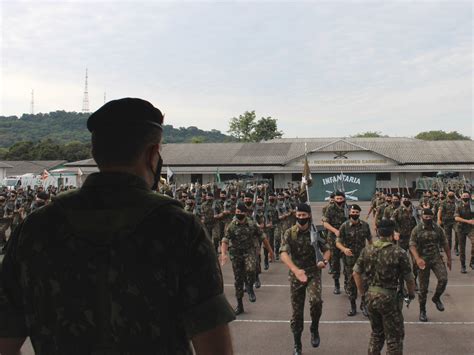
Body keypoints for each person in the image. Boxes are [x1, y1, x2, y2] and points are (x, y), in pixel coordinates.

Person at [0, 98, 235, 355]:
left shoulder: (35, 228)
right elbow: (214, 347)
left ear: (95, 152)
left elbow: (5, 342)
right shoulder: (178, 227)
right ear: (152, 154)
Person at [353, 220, 415, 355]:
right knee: (394, 339)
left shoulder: (367, 250)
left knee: (376, 334)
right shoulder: (399, 252)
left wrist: (363, 293)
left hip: (370, 297)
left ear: (378, 232)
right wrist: (411, 294)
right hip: (389, 299)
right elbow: (409, 278)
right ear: (393, 233)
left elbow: (356, 273)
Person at [280, 203, 331, 355]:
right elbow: (283, 253)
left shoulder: (316, 232)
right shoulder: (290, 233)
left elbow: (327, 249)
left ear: (309, 216)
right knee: (297, 313)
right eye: (298, 215)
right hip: (296, 275)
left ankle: (314, 327)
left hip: (313, 272)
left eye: (303, 215)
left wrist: (324, 261)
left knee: (316, 302)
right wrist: (295, 270)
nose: (300, 218)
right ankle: (297, 344)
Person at [220, 203, 274, 315]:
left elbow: (263, 237)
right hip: (236, 255)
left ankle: (249, 287)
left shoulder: (251, 224)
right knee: (238, 280)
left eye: (241, 212)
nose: (238, 214)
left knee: (251, 269)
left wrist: (270, 251)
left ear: (245, 213)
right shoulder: (232, 225)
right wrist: (224, 254)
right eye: (237, 212)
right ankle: (239, 305)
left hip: (249, 252)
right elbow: (225, 240)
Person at [410, 208, 451, 322]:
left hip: (436, 258)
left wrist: (449, 258)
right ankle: (422, 310)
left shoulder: (437, 229)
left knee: (443, 279)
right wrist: (417, 258)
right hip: (423, 260)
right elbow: (412, 245)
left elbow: (445, 243)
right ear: (422, 217)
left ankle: (436, 298)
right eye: (426, 217)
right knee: (423, 288)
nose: (428, 219)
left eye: (430, 217)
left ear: (432, 217)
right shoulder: (417, 229)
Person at [336, 204, 372, 316]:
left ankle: (364, 305)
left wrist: (371, 252)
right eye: (353, 212)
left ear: (359, 213)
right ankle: (353, 307)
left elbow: (370, 241)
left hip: (362, 259)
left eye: (356, 212)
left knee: (364, 282)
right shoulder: (344, 226)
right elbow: (337, 242)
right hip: (349, 259)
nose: (354, 214)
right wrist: (344, 249)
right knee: (351, 284)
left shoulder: (365, 225)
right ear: (349, 213)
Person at [322, 191, 347, 294]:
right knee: (335, 262)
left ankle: (347, 284)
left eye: (341, 199)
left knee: (348, 262)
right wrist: (335, 230)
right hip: (333, 238)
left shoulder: (347, 208)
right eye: (337, 199)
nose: (339, 201)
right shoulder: (330, 208)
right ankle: (336, 284)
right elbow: (325, 224)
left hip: (346, 239)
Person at [454, 191, 474, 273]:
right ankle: (463, 266)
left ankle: (472, 262)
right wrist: (467, 221)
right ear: (461, 197)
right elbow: (456, 218)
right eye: (464, 195)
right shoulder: (458, 206)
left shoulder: (472, 206)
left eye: (467, 195)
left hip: (471, 229)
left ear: (469, 197)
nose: (465, 197)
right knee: (462, 249)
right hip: (461, 229)